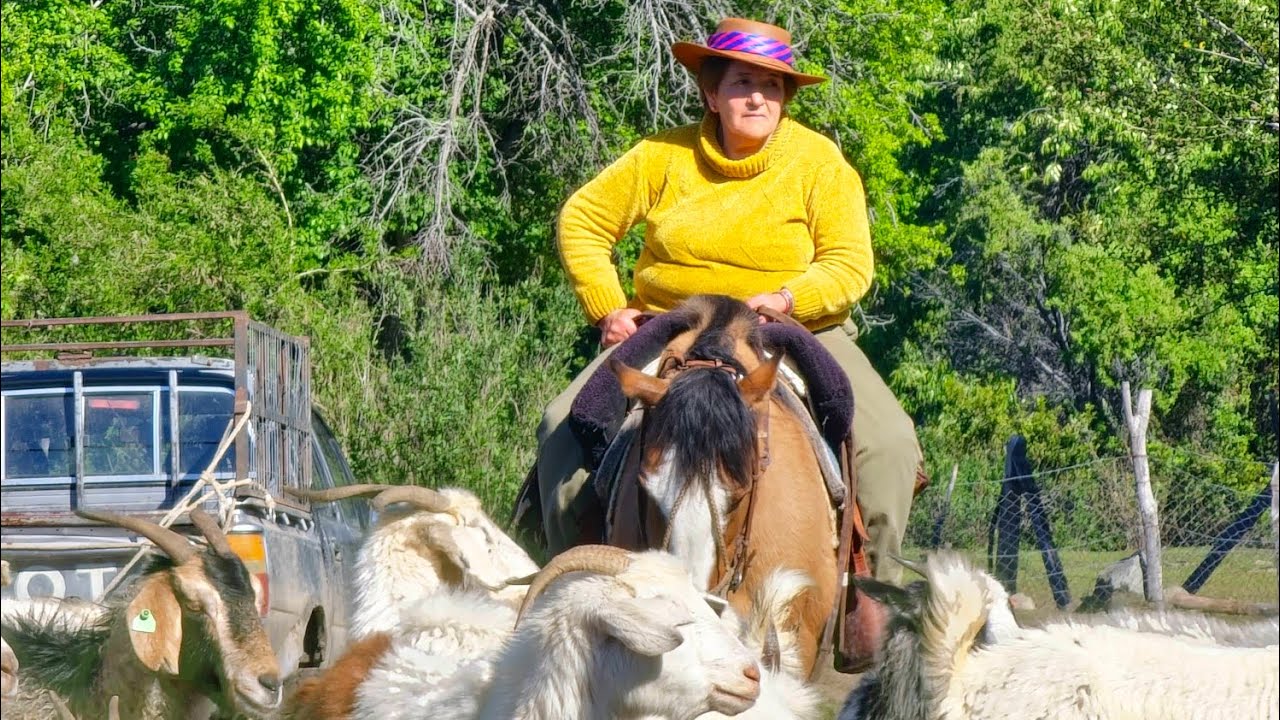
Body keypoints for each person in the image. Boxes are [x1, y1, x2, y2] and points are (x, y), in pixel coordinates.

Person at [534, 17, 926, 583]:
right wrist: (608, 306)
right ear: (711, 94)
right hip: (678, 325)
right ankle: (574, 584)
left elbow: (848, 262)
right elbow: (583, 219)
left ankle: (872, 595)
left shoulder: (820, 163)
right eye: (743, 83)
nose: (758, 97)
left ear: (786, 97)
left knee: (889, 443)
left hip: (792, 326)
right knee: (561, 429)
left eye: (772, 86)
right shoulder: (660, 156)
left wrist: (791, 297)